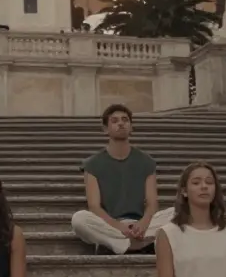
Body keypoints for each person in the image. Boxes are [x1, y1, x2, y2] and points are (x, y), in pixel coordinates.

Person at [69, 104, 172, 254]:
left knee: (177, 213)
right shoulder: (92, 164)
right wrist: (119, 227)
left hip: (141, 224)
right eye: (115, 121)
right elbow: (94, 207)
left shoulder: (146, 161)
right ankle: (135, 243)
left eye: (125, 120)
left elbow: (152, 204)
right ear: (106, 129)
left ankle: (120, 244)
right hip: (110, 224)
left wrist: (142, 224)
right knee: (79, 219)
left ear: (131, 127)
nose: (121, 123)